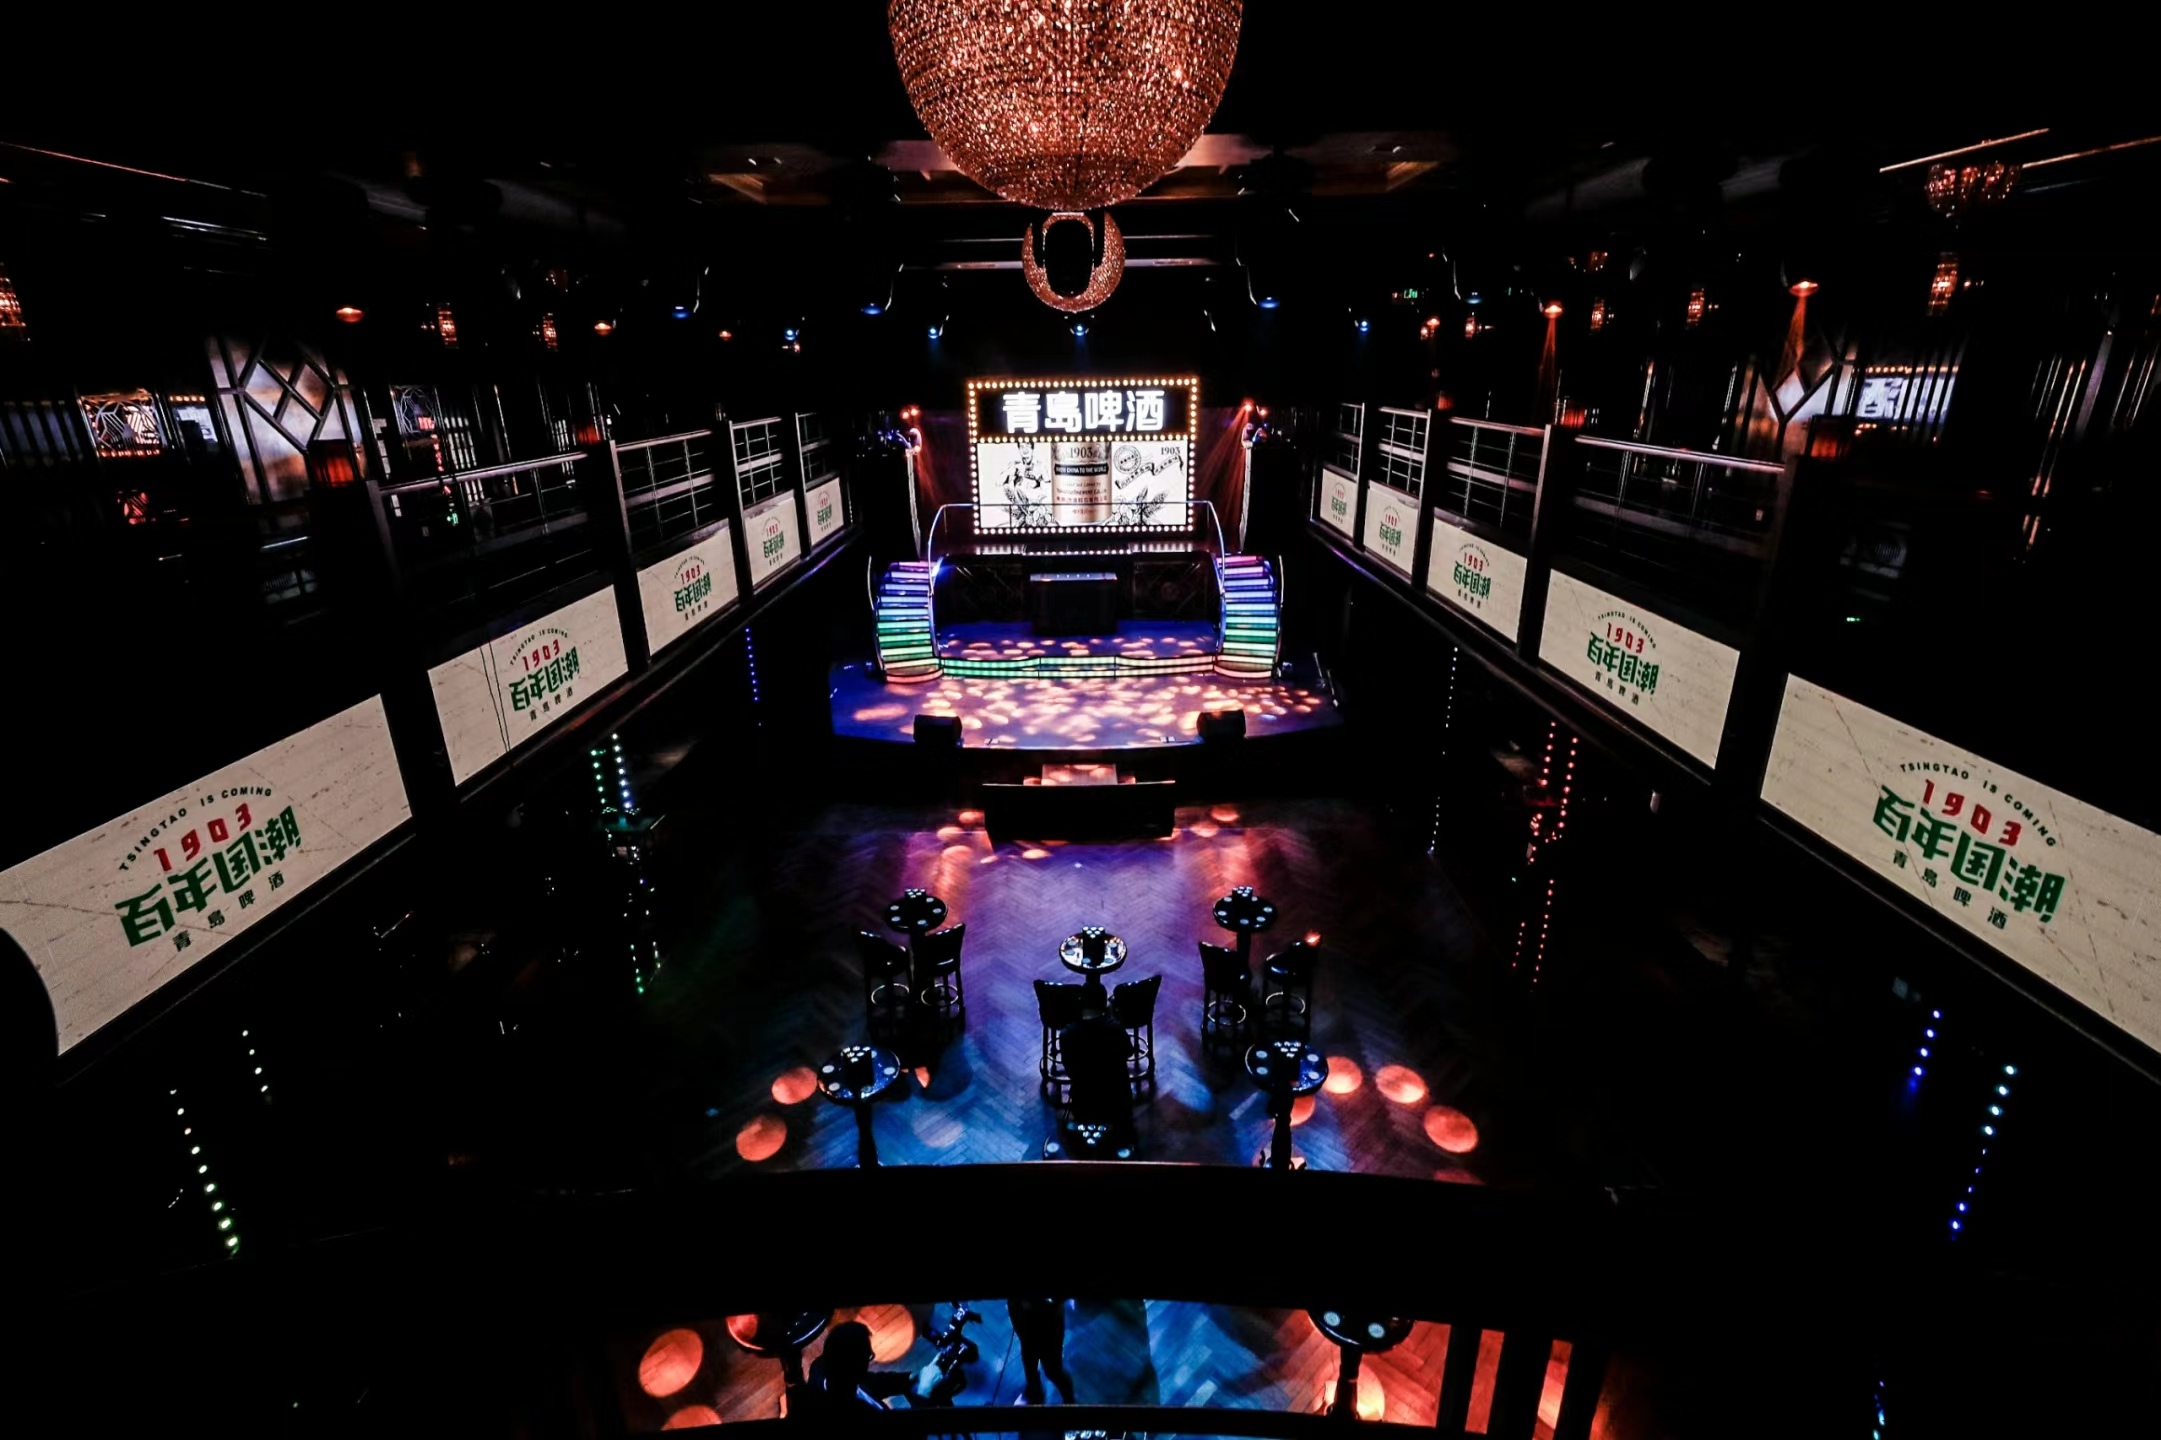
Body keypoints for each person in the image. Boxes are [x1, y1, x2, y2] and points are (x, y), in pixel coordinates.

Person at [1059, 997, 1136, 1153]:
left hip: (1084, 1098)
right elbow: (1129, 1052)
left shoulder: (1067, 1033)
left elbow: (1070, 1070)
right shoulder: (1115, 1029)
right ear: (1104, 1005)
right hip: (1116, 1097)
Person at [801, 1321, 913, 1415]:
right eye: (868, 1356)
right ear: (855, 1369)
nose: (871, 1358)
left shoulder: (822, 1369)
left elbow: (879, 1381)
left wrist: (911, 1378)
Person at [1007, 1297, 1074, 1405]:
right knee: (1030, 1367)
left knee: (1053, 1371)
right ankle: (1035, 1393)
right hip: (1025, 1323)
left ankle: (1069, 1399)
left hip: (1047, 1325)